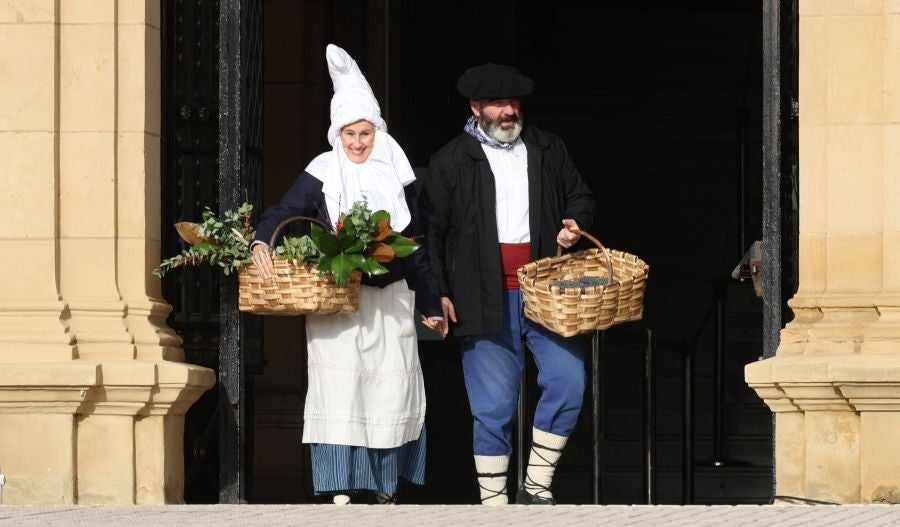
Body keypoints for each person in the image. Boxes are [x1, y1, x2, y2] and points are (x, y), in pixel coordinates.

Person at [250, 44, 443, 505]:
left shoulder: (396, 177)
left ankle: (384, 486)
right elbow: (284, 211)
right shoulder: (322, 171)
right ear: (337, 136)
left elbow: (415, 248)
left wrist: (433, 304)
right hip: (337, 301)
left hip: (390, 300)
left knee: (387, 389)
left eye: (365, 134)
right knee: (341, 387)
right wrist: (261, 239)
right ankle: (339, 486)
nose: (357, 143)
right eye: (349, 134)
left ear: (377, 133)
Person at [423, 62, 596, 505]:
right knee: (493, 406)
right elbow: (430, 235)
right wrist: (436, 293)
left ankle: (536, 486)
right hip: (481, 298)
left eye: (514, 102)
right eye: (499, 103)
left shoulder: (547, 148)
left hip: (546, 293)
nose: (509, 111)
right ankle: (494, 504)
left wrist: (575, 224)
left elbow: (580, 196)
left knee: (568, 381)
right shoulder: (450, 160)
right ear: (475, 107)